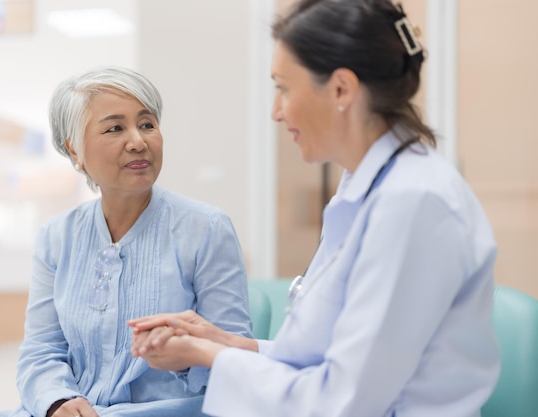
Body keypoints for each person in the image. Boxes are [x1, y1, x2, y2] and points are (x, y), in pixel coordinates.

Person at [128, 1, 501, 416]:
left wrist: (211, 356)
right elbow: (331, 360)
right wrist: (231, 344)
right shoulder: (366, 188)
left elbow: (341, 400)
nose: (275, 111)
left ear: (341, 88)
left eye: (284, 88)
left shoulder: (414, 203)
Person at [0, 66, 252, 417]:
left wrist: (185, 354)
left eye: (147, 124)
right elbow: (41, 350)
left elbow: (233, 357)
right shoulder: (56, 237)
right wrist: (57, 402)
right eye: (115, 128)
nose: (138, 141)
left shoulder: (206, 229)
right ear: (75, 149)